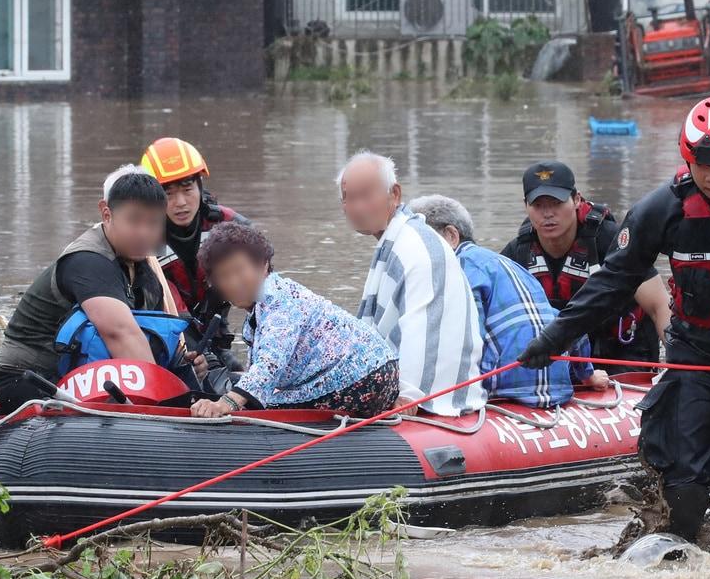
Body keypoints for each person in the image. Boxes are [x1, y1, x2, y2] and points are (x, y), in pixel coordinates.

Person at [519, 95, 710, 545]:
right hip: (695, 358)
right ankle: (679, 565)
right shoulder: (663, 209)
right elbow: (612, 281)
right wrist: (553, 338)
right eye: (700, 166)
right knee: (684, 493)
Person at [0, 167, 188, 412]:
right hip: (30, 379)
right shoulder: (88, 261)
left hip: (92, 377)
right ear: (106, 214)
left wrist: (184, 370)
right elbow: (121, 334)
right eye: (134, 221)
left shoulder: (145, 273)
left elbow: (156, 335)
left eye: (153, 223)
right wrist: (162, 406)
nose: (144, 233)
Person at [409, 195, 605, 409]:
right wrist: (587, 375)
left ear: (450, 236)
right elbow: (566, 323)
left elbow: (465, 342)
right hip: (556, 389)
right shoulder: (512, 265)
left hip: (502, 393)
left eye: (420, 242)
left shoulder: (457, 271)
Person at [187, 222, 399, 419]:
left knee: (260, 405)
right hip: (374, 374)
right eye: (224, 276)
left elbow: (270, 365)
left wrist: (224, 404)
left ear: (263, 265)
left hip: (364, 379)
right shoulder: (261, 309)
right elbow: (261, 371)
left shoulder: (278, 299)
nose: (234, 283)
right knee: (247, 391)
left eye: (240, 270)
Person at [338, 151, 483, 416]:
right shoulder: (396, 241)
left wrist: (408, 397)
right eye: (349, 198)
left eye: (366, 196)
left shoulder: (416, 247)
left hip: (435, 400)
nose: (357, 206)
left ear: (394, 194)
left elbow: (421, 328)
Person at [501, 162, 670, 374]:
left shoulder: (612, 240)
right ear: (525, 206)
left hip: (622, 354)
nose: (548, 214)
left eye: (556, 203)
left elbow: (659, 305)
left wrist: (676, 358)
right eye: (538, 205)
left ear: (576, 200)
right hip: (559, 357)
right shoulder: (518, 253)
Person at [140, 136, 248, 349]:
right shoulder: (141, 239)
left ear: (200, 186)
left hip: (214, 330)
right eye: (167, 193)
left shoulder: (228, 225)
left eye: (187, 189)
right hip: (168, 336)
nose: (180, 203)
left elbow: (262, 288)